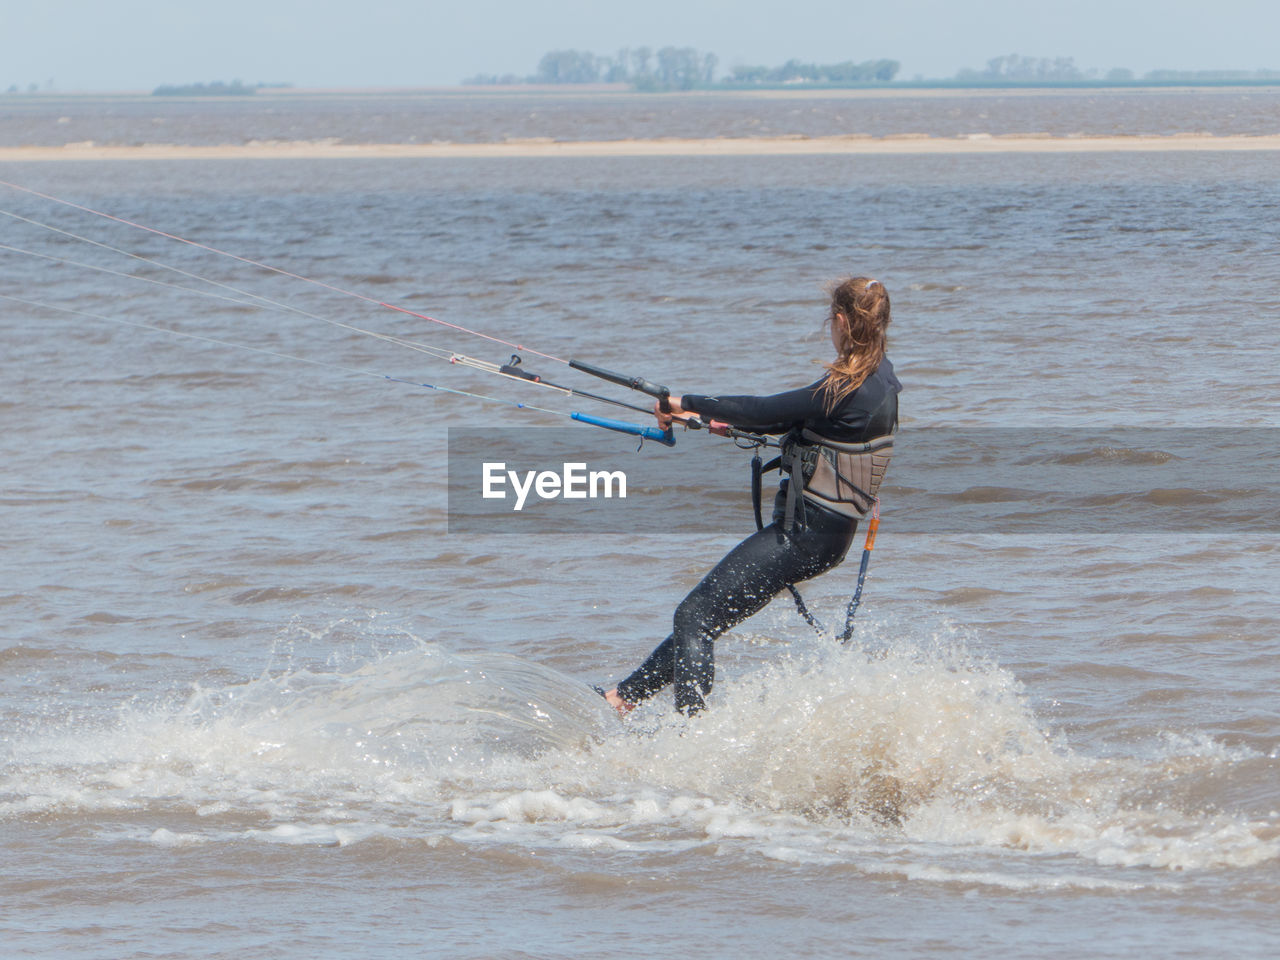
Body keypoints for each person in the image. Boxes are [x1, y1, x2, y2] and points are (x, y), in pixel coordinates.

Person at [600, 276, 901, 717]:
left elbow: (765, 410)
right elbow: (790, 420)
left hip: (803, 537)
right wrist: (702, 416)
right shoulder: (880, 378)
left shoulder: (845, 389)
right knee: (706, 619)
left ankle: (691, 742)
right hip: (826, 536)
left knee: (694, 618)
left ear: (839, 321)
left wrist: (680, 399)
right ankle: (621, 699)